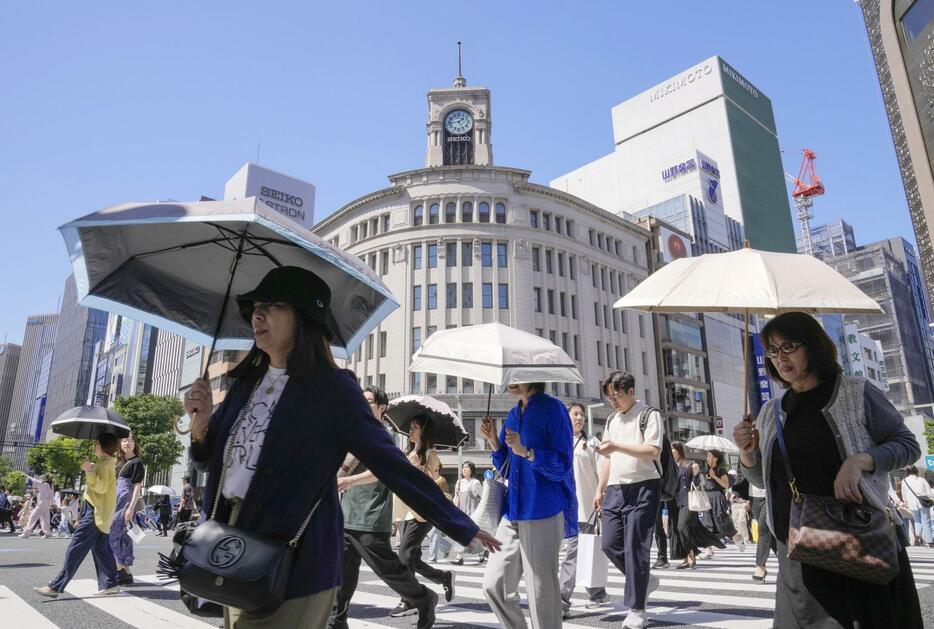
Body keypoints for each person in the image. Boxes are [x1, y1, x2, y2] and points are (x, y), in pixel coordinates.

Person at [184, 266, 498, 628]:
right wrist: (201, 425)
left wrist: (459, 523)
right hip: (231, 542)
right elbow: (210, 461)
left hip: (294, 555)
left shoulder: (333, 389)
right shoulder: (245, 385)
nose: (257, 314)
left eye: (271, 306)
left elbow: (390, 463)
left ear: (303, 317)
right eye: (255, 306)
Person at [734, 311, 923, 628]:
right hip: (797, 552)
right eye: (772, 351)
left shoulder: (854, 392)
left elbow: (907, 445)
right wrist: (747, 454)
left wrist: (860, 461)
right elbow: (763, 481)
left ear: (813, 345)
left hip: (856, 542)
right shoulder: (771, 412)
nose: (780, 358)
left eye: (789, 346)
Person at [331, 385, 447, 629]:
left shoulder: (383, 435)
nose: (363, 404)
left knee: (388, 569)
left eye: (370, 401)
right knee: (342, 572)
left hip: (370, 514)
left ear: (382, 408)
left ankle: (424, 598)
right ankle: (337, 620)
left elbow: (383, 471)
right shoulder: (355, 430)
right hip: (347, 513)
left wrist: (349, 480)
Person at [480, 382, 576, 629]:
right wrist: (493, 441)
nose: (509, 380)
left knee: (541, 592)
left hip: (543, 509)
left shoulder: (554, 410)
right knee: (493, 584)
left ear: (531, 376)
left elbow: (562, 466)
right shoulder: (513, 414)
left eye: (516, 375)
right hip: (512, 511)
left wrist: (526, 451)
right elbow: (506, 467)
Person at [593, 371, 662, 629]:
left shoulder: (649, 415)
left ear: (632, 392)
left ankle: (637, 609)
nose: (614, 401)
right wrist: (599, 490)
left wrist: (617, 446)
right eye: (610, 397)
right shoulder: (612, 419)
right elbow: (607, 459)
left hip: (644, 486)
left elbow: (653, 450)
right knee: (610, 544)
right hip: (615, 489)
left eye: (618, 396)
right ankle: (645, 579)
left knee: (636, 547)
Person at [34, 433, 121, 598]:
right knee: (100, 548)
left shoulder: (105, 464)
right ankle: (110, 583)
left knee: (76, 547)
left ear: (103, 446)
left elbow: (101, 487)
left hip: (95, 512)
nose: (95, 446)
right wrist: (90, 469)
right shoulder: (105, 463)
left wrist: (89, 471)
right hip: (98, 512)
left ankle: (55, 586)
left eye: (97, 443)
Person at [391, 416, 456, 616]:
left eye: (415, 427)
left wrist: (417, 466)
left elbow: (433, 482)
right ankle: (443, 577)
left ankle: (409, 599)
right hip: (406, 512)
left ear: (424, 431)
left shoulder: (429, 454)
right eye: (410, 427)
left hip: (422, 513)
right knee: (413, 559)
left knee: (404, 555)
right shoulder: (409, 452)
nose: (410, 431)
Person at [558, 401, 608, 618]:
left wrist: (601, 496)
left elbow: (601, 474)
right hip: (562, 508)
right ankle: (597, 592)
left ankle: (561, 602)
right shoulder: (560, 442)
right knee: (584, 552)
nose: (579, 418)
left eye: (581, 415)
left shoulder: (591, 444)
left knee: (573, 554)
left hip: (585, 508)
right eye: (574, 414)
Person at [670, 442, 722, 570]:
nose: (670, 451)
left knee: (682, 526)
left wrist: (696, 472)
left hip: (689, 501)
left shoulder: (689, 464)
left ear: (678, 450)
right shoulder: (671, 466)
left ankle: (691, 553)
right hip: (674, 502)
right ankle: (685, 558)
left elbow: (697, 480)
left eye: (672, 449)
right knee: (677, 530)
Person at [109, 435, 144, 585]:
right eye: (124, 440)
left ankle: (120, 570)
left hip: (125, 504)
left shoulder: (137, 462)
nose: (127, 443)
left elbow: (137, 486)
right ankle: (124, 572)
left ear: (135, 444)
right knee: (123, 537)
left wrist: (131, 508)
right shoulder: (120, 463)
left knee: (115, 535)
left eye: (130, 440)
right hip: (116, 503)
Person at [697, 449, 737, 559]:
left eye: (709, 456)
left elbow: (726, 485)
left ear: (716, 458)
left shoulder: (721, 469)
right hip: (707, 498)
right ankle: (709, 551)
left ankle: (737, 537)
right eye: (707, 456)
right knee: (706, 524)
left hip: (718, 497)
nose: (707, 458)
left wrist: (715, 476)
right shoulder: (705, 470)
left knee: (723, 522)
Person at [450, 461, 482, 565]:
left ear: (472, 470)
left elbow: (482, 497)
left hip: (473, 512)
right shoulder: (459, 482)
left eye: (467, 467)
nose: (464, 469)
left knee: (474, 534)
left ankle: (482, 552)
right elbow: (456, 497)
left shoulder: (475, 482)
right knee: (461, 533)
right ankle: (459, 557)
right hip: (461, 512)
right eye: (463, 467)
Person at [426, 468, 454, 563]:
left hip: (440, 511)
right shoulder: (427, 480)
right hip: (429, 511)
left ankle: (432, 557)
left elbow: (447, 496)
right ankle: (447, 547)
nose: (428, 471)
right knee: (430, 534)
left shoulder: (441, 480)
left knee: (434, 533)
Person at [902, 465, 934, 547]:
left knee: (917, 521)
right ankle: (929, 541)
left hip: (911, 504)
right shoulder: (921, 480)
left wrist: (906, 502)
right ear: (916, 471)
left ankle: (918, 536)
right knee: (926, 521)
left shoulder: (904, 481)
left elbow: (904, 494)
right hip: (923, 503)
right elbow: (929, 493)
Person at [749, 480, 773, 582]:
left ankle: (760, 566)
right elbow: (741, 472)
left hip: (772, 492)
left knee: (763, 529)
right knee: (770, 533)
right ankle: (787, 563)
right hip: (754, 495)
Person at [20, 473, 53, 538]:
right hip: (46, 504)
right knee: (45, 519)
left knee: (32, 517)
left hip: (41, 504)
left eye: (42, 478)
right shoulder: (49, 485)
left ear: (45, 479)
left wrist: (27, 476)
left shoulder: (43, 484)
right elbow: (51, 495)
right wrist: (51, 503)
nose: (41, 479)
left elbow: (35, 480)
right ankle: (47, 533)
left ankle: (26, 533)